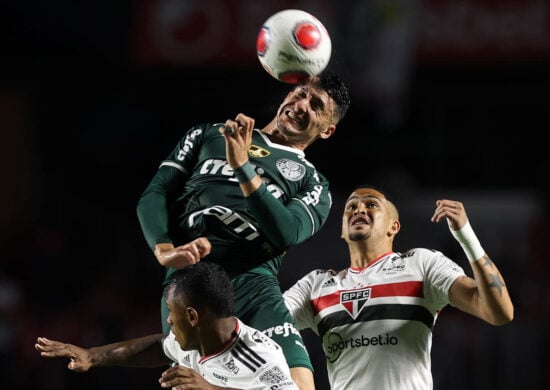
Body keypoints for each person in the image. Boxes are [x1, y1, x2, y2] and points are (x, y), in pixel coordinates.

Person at [136, 71, 351, 389]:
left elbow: (287, 232)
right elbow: (156, 193)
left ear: (328, 130)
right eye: (301, 93)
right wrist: (163, 248)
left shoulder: (312, 182)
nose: (302, 104)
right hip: (191, 282)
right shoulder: (210, 134)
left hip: (254, 284)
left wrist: (243, 168)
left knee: (299, 385)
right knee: (190, 383)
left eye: (316, 105)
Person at [283, 185, 514, 389]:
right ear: (343, 231)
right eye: (350, 207)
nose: (359, 209)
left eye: (371, 204)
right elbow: (265, 323)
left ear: (393, 226)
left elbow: (499, 313)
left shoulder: (421, 264)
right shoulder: (315, 285)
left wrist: (467, 238)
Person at [35, 259, 299, 390]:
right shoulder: (195, 341)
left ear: (193, 317)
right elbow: (161, 346)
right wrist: (92, 356)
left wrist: (209, 389)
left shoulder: (261, 356)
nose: (169, 319)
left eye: (172, 312)